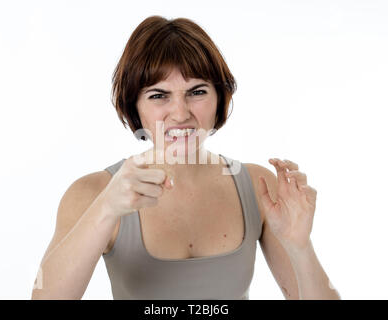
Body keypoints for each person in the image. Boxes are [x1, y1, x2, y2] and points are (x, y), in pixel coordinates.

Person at [31, 15, 340, 300]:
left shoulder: (260, 187)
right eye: (158, 95)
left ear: (219, 98)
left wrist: (300, 247)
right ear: (134, 105)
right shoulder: (92, 193)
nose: (180, 114)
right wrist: (106, 209)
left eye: (197, 91)